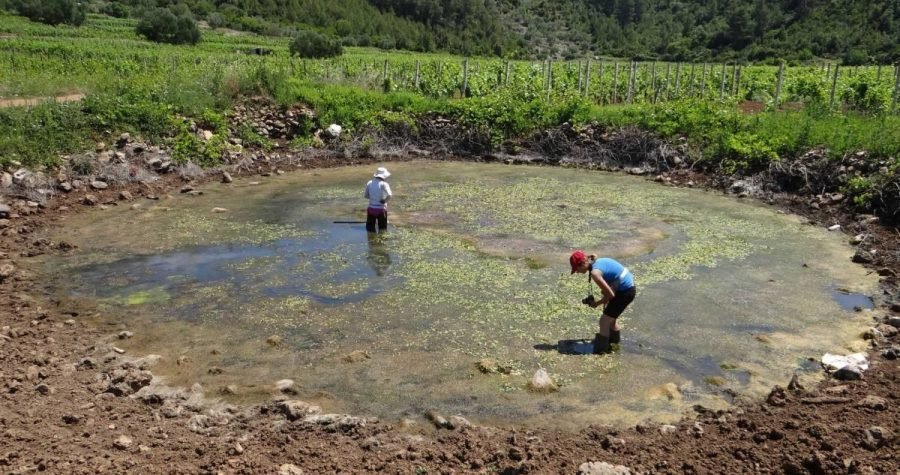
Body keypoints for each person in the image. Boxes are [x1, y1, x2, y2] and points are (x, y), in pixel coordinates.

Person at [569, 251, 636, 354]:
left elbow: (610, 295)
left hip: (625, 291)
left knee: (604, 321)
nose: (577, 272)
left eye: (577, 269)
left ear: (582, 264)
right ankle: (614, 344)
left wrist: (596, 303)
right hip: (626, 286)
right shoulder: (595, 261)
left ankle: (600, 352)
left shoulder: (595, 273)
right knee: (611, 320)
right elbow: (609, 289)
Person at [364, 167, 392, 233]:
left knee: (370, 229)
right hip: (381, 210)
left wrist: (373, 198)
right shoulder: (384, 184)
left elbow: (366, 196)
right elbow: (389, 195)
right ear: (384, 176)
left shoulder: (369, 183)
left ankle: (371, 242)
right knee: (383, 230)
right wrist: (384, 200)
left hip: (371, 209)